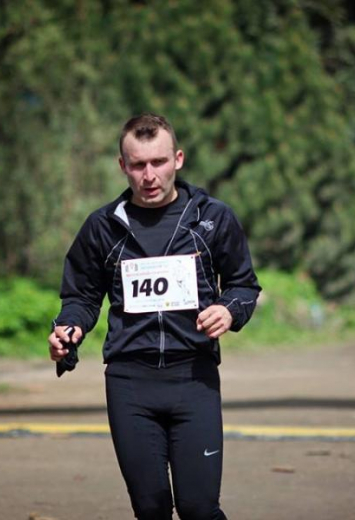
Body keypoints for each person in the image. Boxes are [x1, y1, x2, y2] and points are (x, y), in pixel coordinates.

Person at [48, 113, 261, 520]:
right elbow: (81, 296)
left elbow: (244, 285)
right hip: (130, 384)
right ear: (122, 166)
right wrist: (68, 328)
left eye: (159, 162)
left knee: (199, 508)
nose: (149, 175)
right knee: (151, 508)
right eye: (139, 165)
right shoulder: (102, 228)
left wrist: (229, 311)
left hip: (193, 378)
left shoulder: (212, 218)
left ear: (177, 159)